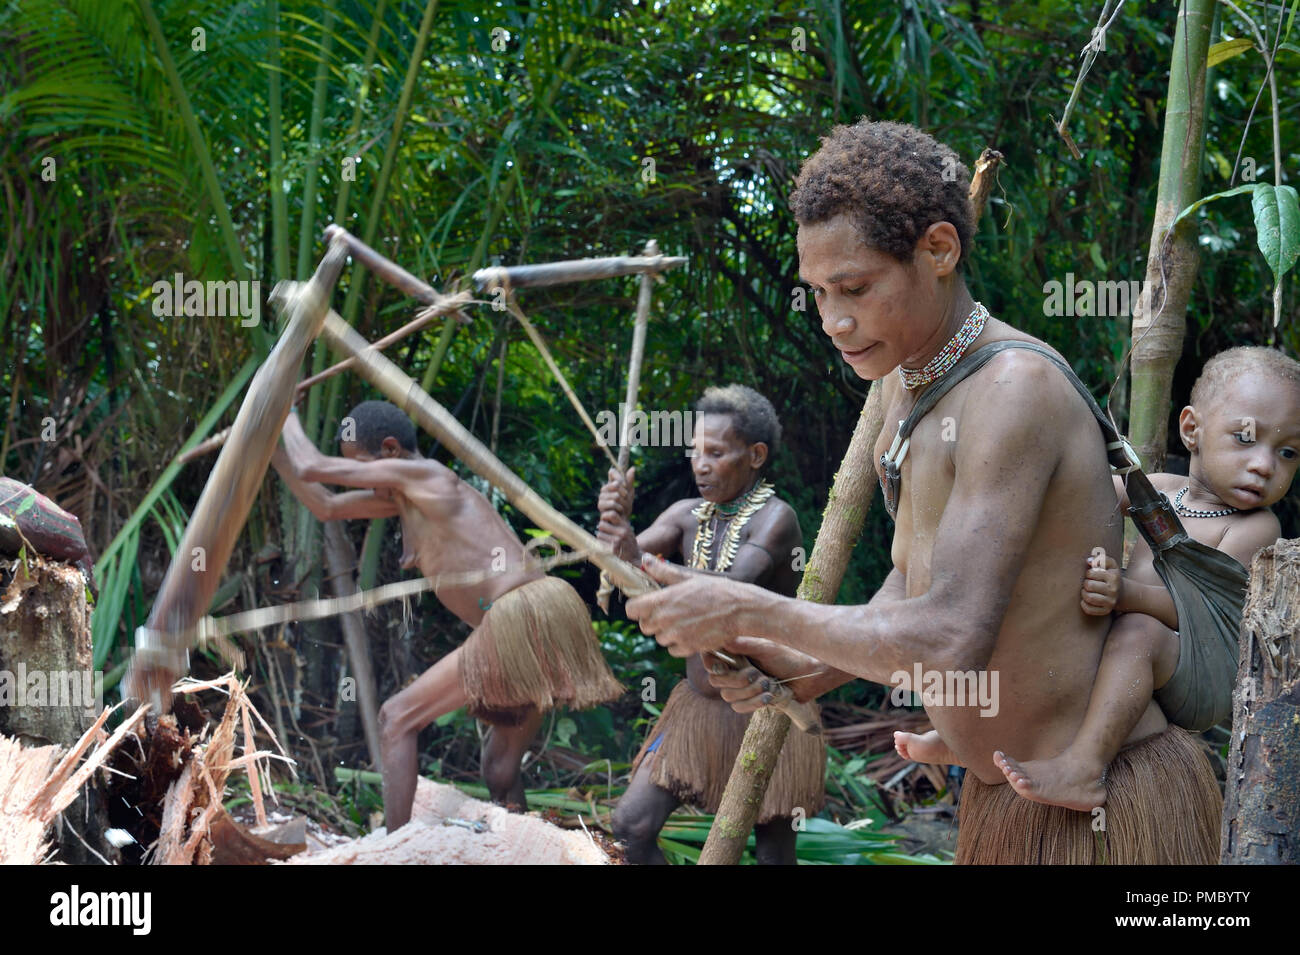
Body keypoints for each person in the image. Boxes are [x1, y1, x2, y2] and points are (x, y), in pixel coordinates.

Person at [622, 118, 1223, 864]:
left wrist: (746, 605)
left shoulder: (1013, 390)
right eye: (816, 293)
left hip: (1107, 809)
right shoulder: (906, 396)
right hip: (1007, 799)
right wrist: (794, 666)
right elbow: (911, 586)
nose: (834, 321)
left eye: (856, 288)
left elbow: (949, 636)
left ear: (939, 250)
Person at [272, 400, 622, 829]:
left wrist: (282, 413)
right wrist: (272, 450)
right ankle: (520, 847)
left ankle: (394, 848)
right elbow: (324, 504)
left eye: (364, 469)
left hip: (521, 613)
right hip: (534, 612)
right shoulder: (406, 496)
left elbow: (311, 466)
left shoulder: (428, 476)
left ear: (390, 451)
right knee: (498, 769)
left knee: (396, 718)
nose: (368, 484)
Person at [977, 346, 1298, 810]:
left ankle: (1085, 770)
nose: (1266, 465)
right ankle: (973, 729)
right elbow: (1081, 496)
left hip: (1200, 670)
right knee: (1050, 600)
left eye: (1287, 452)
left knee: (1138, 633)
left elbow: (1205, 615)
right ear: (1192, 430)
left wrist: (1125, 593)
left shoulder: (1254, 528)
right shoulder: (1160, 490)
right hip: (1134, 632)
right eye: (1246, 438)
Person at [596, 385, 821, 865]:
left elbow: (733, 588)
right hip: (697, 706)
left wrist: (638, 556)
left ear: (755, 455)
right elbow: (626, 566)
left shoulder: (776, 520)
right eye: (695, 452)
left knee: (773, 854)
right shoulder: (684, 515)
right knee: (631, 826)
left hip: (766, 704)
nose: (700, 464)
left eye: (716, 453)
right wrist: (614, 527)